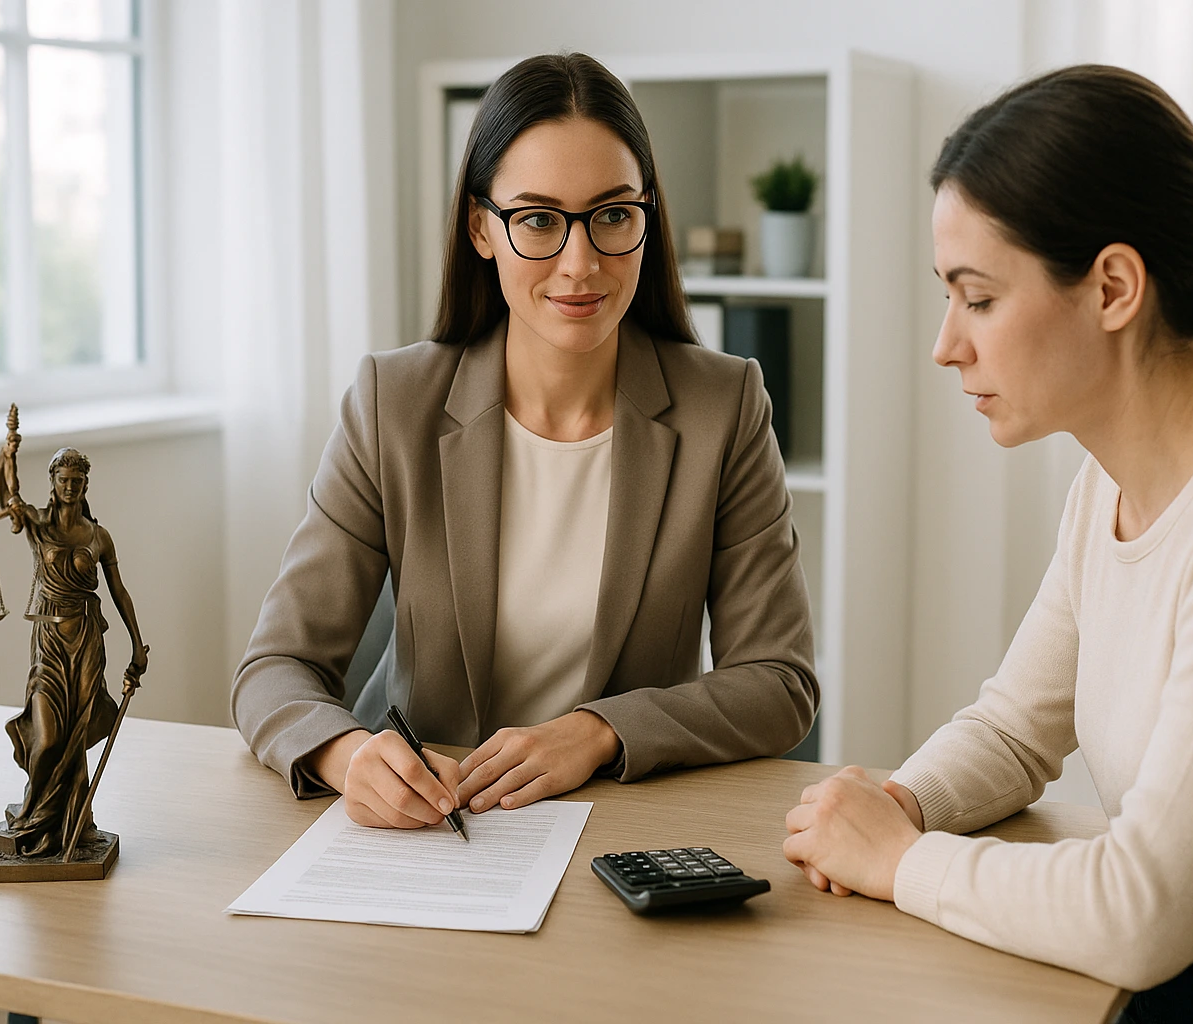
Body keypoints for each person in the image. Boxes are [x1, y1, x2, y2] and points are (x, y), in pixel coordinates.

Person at [781, 65, 1193, 1020]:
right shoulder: (1111, 481)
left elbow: (1142, 913)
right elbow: (1016, 730)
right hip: (1188, 979)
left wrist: (903, 861)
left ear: (1112, 287)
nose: (946, 344)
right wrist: (905, 804)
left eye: (977, 298)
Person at [232, 52, 816, 829]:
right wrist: (347, 755)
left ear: (648, 216)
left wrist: (601, 732)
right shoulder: (392, 402)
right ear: (482, 228)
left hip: (623, 830)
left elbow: (779, 682)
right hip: (437, 833)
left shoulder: (724, 407)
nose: (581, 264)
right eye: (538, 219)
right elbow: (274, 669)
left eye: (612, 215)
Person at [0, 447, 148, 856]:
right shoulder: (37, 523)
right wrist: (7, 455)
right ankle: (34, 815)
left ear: (85, 485)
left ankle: (74, 822)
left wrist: (136, 645)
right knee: (50, 737)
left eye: (77, 481)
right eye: (63, 480)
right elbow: (7, 497)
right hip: (50, 645)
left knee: (76, 734)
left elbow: (119, 592)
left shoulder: (98, 536)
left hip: (88, 641)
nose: (70, 487)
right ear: (53, 483)